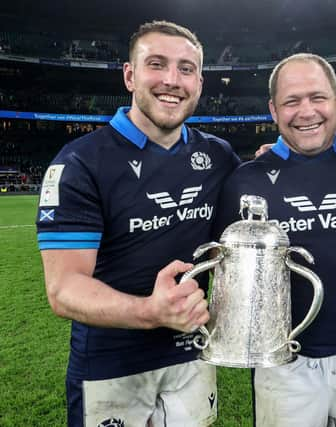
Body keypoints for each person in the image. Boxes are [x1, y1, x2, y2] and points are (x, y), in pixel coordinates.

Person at [35, 21, 240, 426]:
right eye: (156, 64)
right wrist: (150, 311)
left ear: (199, 81)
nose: (171, 80)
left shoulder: (218, 157)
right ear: (130, 76)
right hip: (109, 367)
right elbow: (63, 291)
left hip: (191, 357)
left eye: (185, 69)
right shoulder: (79, 162)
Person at [214, 53, 336, 427]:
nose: (307, 112)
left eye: (317, 98)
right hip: (282, 363)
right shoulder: (244, 182)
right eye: (291, 101)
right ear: (273, 110)